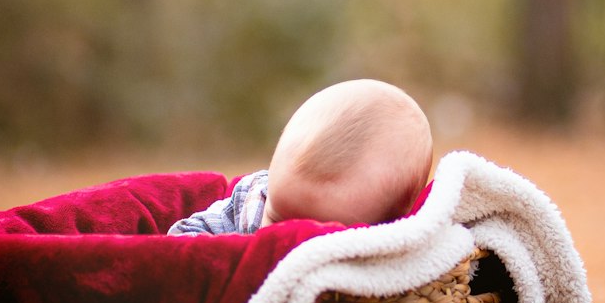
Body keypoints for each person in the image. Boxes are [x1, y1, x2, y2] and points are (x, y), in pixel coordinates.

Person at [168, 79, 433, 236]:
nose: (287, 240)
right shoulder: (250, 201)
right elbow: (180, 243)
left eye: (321, 235)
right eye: (276, 218)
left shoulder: (393, 246)